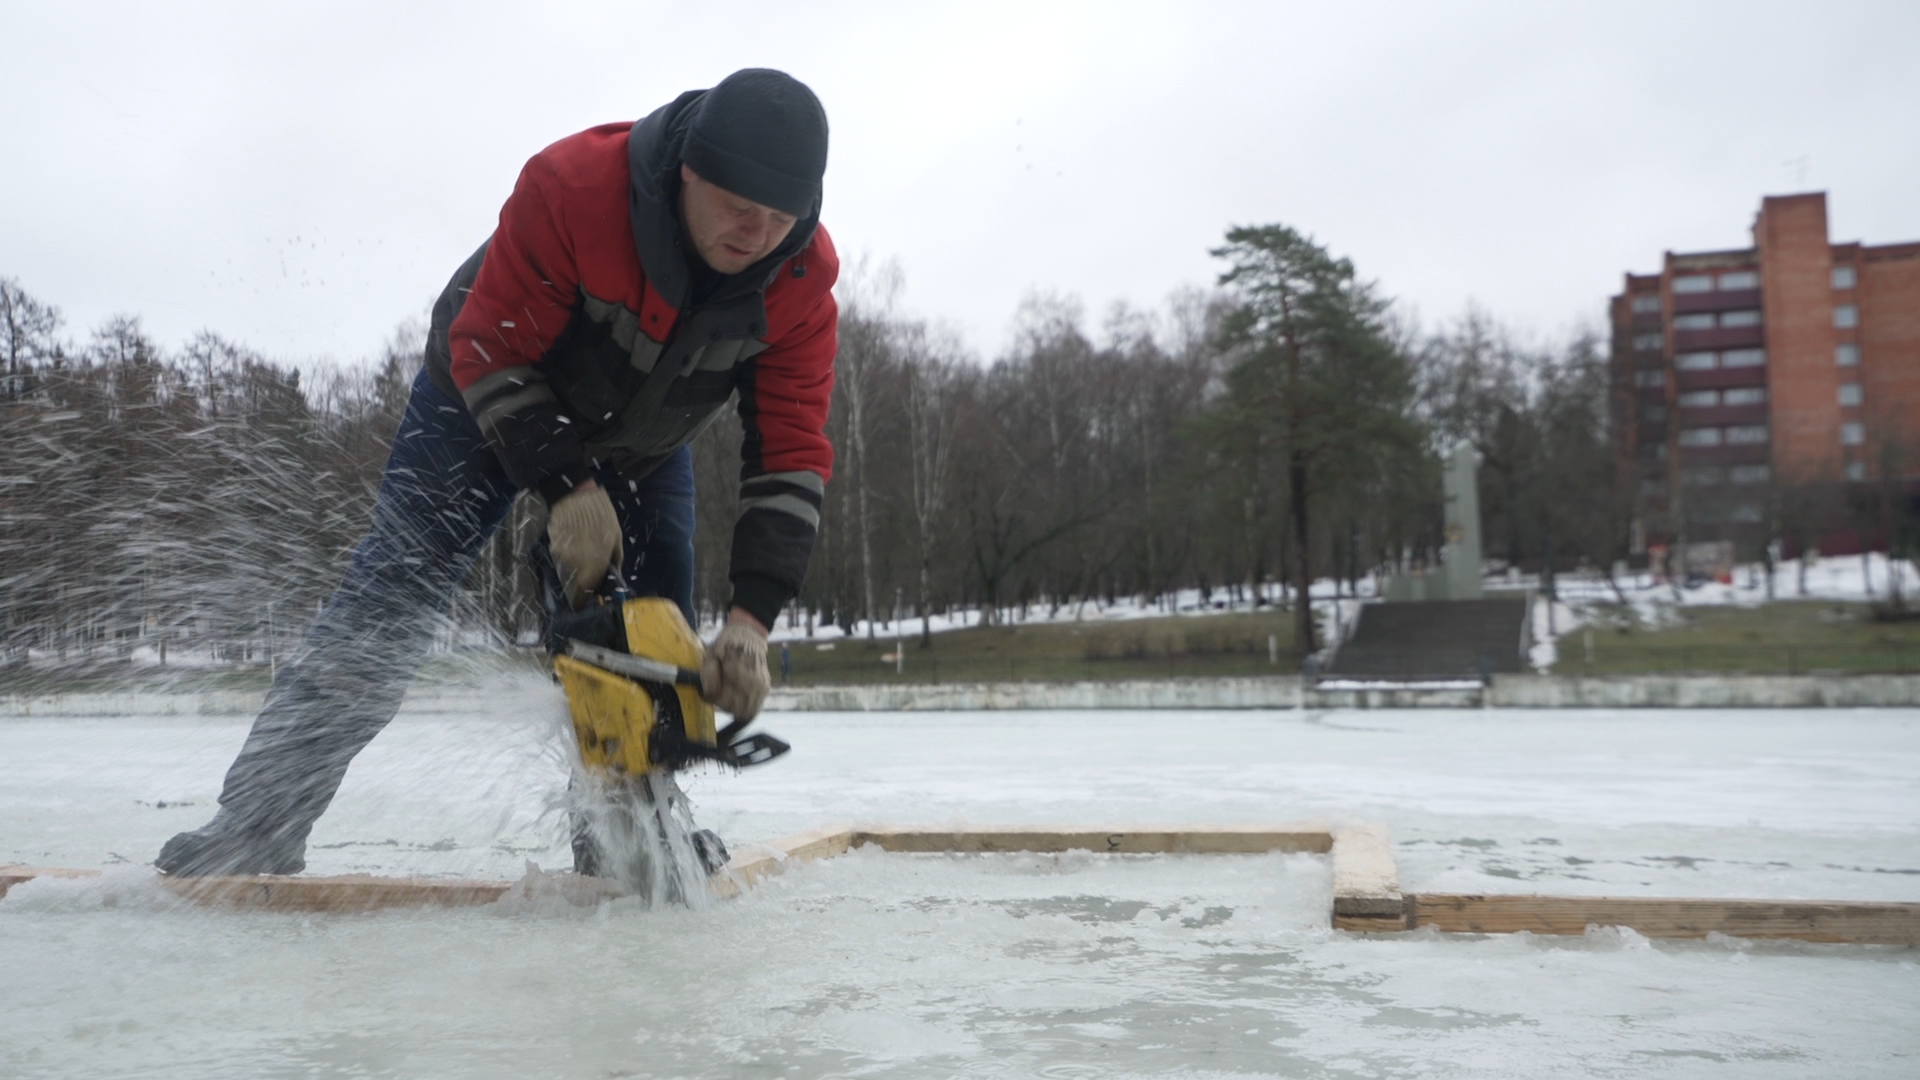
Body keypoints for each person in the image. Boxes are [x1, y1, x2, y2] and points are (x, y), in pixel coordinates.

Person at [156, 69, 838, 877]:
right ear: (690, 168)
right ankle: (256, 828)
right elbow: (492, 345)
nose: (757, 235)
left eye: (779, 219)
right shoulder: (577, 187)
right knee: (393, 592)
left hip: (640, 441)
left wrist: (752, 624)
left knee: (648, 625)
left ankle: (625, 840)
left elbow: (790, 459)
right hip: (484, 391)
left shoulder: (802, 282)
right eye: (737, 209)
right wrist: (566, 488)